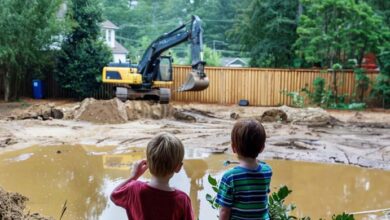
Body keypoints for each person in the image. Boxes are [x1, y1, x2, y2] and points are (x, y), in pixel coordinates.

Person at [110, 132, 194, 220]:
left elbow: (114, 195)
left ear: (148, 163)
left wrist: (134, 176)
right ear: (178, 167)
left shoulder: (134, 188)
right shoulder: (182, 200)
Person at [216, 119, 272, 220]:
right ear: (262, 147)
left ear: (233, 148)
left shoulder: (230, 177)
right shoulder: (267, 171)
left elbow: (224, 211)